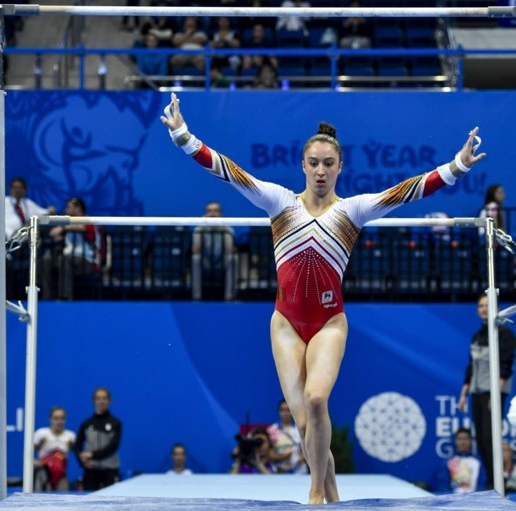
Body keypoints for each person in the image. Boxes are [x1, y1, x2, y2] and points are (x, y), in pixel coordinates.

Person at [161, 92, 485, 504]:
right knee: (303, 423)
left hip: (330, 322)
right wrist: (183, 136)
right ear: (303, 165)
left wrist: (456, 167)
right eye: (313, 163)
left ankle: (315, 492)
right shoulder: (278, 201)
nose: (319, 171)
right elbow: (229, 171)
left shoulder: (353, 210)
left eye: (327, 164)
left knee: (317, 400)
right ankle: (332, 495)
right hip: (285, 324)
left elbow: (408, 191)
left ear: (339, 167)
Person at [457, 294, 516, 491]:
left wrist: (495, 394)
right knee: (481, 439)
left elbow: (506, 366)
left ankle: (500, 482)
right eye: (480, 306)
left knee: (492, 437)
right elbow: (471, 367)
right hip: (477, 392)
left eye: (487, 305)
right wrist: (463, 394)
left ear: (497, 308)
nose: (483, 309)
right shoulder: (477, 336)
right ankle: (492, 480)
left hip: (495, 393)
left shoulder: (505, 335)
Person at [42, 197, 102, 300]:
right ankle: (47, 297)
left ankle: (65, 297)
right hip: (68, 259)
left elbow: (83, 228)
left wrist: (63, 228)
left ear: (78, 208)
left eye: (68, 207)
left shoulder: (89, 221)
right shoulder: (67, 222)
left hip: (88, 261)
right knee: (46, 260)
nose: (66, 210)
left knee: (65, 259)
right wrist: (58, 237)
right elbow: (55, 234)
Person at [73, 387, 122, 490]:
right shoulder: (87, 424)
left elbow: (113, 447)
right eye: (98, 398)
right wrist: (82, 461)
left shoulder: (115, 423)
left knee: (111, 502)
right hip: (91, 472)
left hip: (110, 471)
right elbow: (77, 446)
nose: (101, 401)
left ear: (109, 400)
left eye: (104, 398)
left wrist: (92, 455)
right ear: (94, 401)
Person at [192, 201, 235, 301]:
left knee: (232, 258)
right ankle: (196, 297)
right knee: (195, 258)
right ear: (205, 213)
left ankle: (229, 297)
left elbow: (230, 250)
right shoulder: (200, 228)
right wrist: (201, 227)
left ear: (221, 214)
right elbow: (195, 250)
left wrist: (224, 227)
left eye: (216, 211)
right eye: (209, 211)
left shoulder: (227, 228)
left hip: (221, 263)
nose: (212, 214)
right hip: (205, 263)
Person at [33, 406, 76, 491]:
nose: (59, 421)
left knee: (64, 499)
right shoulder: (41, 434)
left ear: (65, 420)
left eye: (62, 418)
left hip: (61, 477)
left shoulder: (71, 436)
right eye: (56, 418)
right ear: (50, 419)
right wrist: (35, 462)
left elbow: (79, 455)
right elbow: (26, 455)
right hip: (45, 476)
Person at [437, 428, 483, 494]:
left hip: (475, 501)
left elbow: (482, 485)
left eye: (466, 439)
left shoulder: (477, 463)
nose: (463, 442)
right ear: (455, 441)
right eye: (460, 439)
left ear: (471, 441)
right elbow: (443, 487)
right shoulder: (448, 462)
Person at [267, 399, 306, 474]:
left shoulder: (300, 429)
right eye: (282, 410)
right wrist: (283, 457)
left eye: (288, 410)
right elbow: (269, 454)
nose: (285, 413)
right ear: (279, 412)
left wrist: (297, 461)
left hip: (299, 472)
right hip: (280, 472)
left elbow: (306, 451)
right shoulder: (272, 430)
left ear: (292, 412)